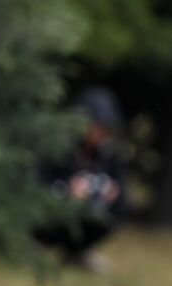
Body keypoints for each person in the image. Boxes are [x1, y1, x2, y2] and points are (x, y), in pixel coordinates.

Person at [35, 87, 127, 265]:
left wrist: (113, 193)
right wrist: (64, 188)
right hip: (54, 212)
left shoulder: (109, 154)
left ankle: (77, 252)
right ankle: (37, 246)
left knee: (108, 215)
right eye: (97, 128)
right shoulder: (55, 145)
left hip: (87, 216)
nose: (100, 135)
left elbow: (123, 198)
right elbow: (35, 184)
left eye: (105, 130)